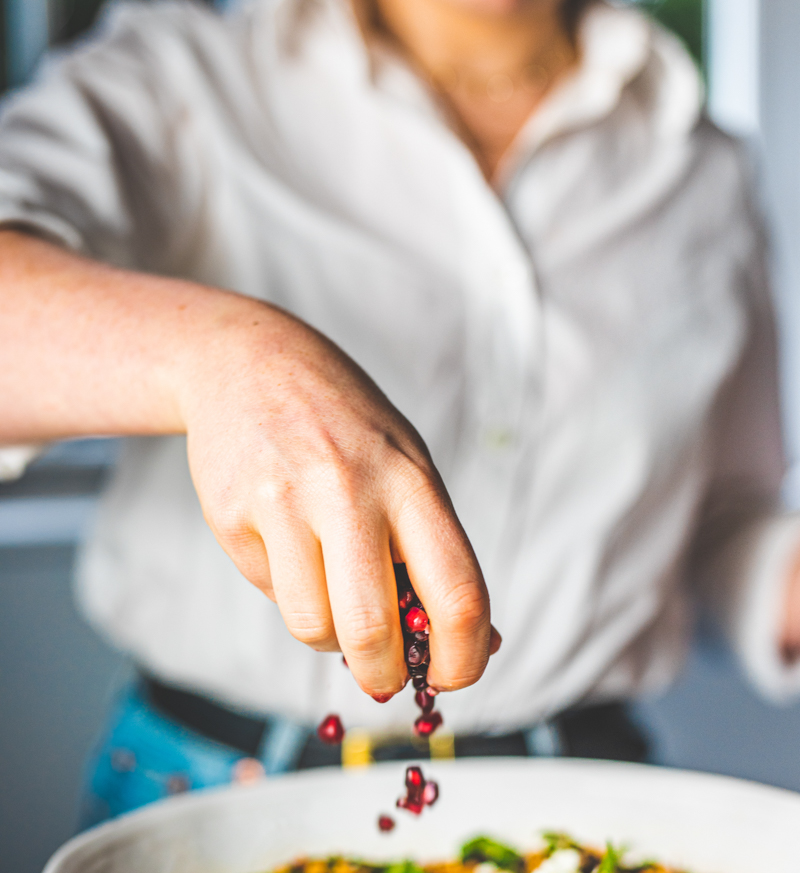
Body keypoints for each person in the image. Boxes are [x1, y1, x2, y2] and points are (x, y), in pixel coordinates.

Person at [0, 0, 798, 819]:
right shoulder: (183, 74)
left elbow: (720, 513)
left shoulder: (705, 168)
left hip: (580, 796)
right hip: (212, 787)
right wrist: (220, 356)